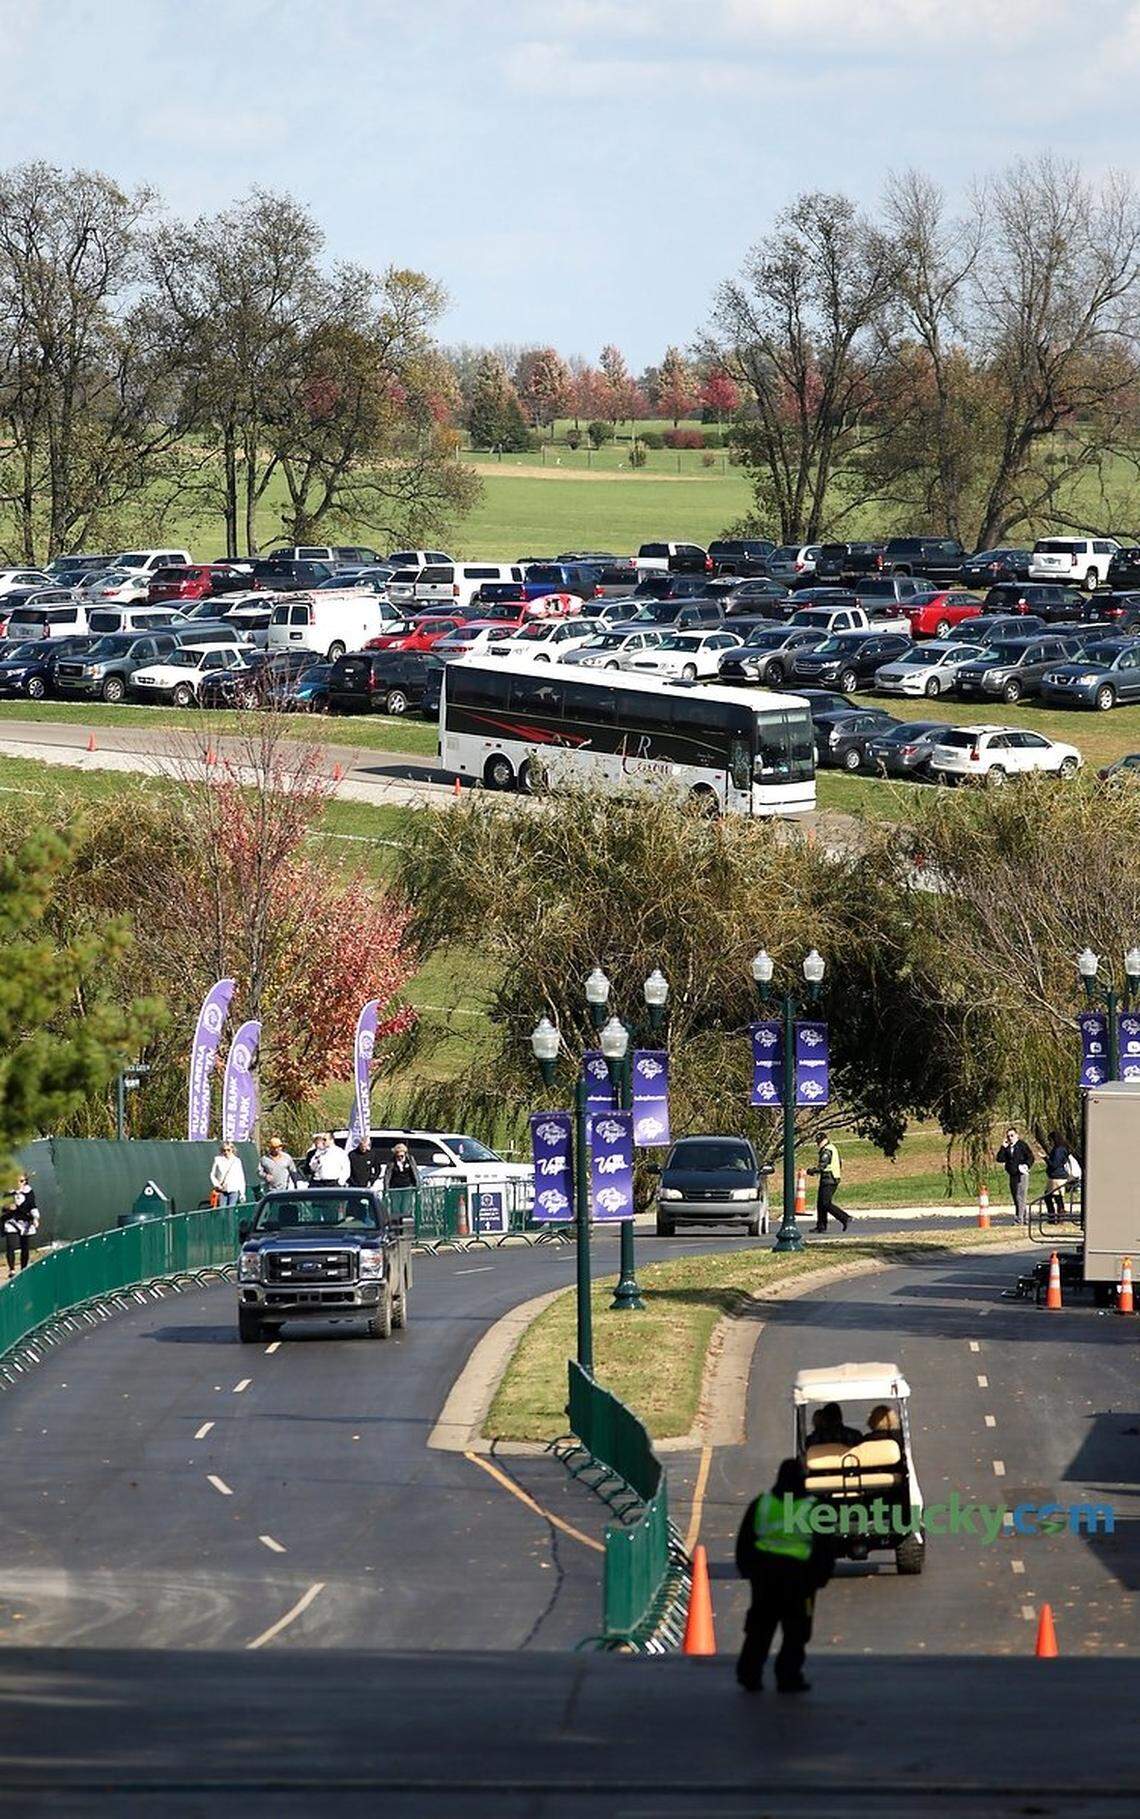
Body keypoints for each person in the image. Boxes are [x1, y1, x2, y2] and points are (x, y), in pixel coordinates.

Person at [735, 1457, 835, 1694]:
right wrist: (820, 1578)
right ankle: (788, 1677)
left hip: (764, 1579)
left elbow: (745, 1542)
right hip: (799, 1581)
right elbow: (825, 1548)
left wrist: (748, 1571)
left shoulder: (762, 1504)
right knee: (796, 1632)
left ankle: (749, 1674)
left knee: (759, 1629)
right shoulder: (814, 1508)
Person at [808, 1131, 850, 1233]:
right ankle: (821, 1226)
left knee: (826, 1203)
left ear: (825, 1140)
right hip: (830, 1178)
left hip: (829, 1179)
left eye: (820, 1142)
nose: (818, 1144)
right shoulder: (832, 1148)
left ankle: (844, 1218)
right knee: (820, 1203)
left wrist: (811, 1171)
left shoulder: (827, 1151)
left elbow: (822, 1166)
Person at [996, 1126, 1034, 1225]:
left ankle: (1019, 1219)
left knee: (1020, 1196)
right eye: (1008, 1136)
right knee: (1015, 1196)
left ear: (1016, 1135)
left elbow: (1030, 1156)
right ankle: (1025, 1218)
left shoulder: (1022, 1145)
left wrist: (1026, 1165)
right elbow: (1000, 1158)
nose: (1010, 1138)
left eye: (1012, 1135)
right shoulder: (1007, 1148)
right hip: (1012, 1174)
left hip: (1021, 1173)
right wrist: (1002, 1147)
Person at [1, 1174, 39, 1273]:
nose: (19, 1183)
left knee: (25, 1247)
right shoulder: (9, 1192)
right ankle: (12, 1270)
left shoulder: (29, 1192)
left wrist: (35, 1218)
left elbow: (32, 1206)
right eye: (17, 1181)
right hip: (11, 1221)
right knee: (10, 1245)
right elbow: (3, 1206)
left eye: (22, 1181)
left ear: (25, 1181)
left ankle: (23, 1269)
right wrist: (8, 1207)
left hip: (25, 1222)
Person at [1043, 1132, 1073, 1221]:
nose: (1050, 1143)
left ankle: (1054, 1217)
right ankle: (1058, 1217)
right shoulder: (1061, 1149)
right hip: (1057, 1176)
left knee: (1050, 1197)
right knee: (1057, 1198)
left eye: (1050, 1140)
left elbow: (1054, 1164)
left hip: (1057, 1177)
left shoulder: (1058, 1150)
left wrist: (1045, 1158)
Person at [209, 1141, 246, 1208]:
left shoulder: (237, 1161)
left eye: (228, 1150)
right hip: (222, 1190)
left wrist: (242, 1193)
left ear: (232, 1149)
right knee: (222, 1211)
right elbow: (212, 1174)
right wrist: (217, 1185)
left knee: (231, 1211)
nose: (226, 1152)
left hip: (233, 1189)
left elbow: (241, 1177)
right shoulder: (218, 1159)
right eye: (224, 1150)